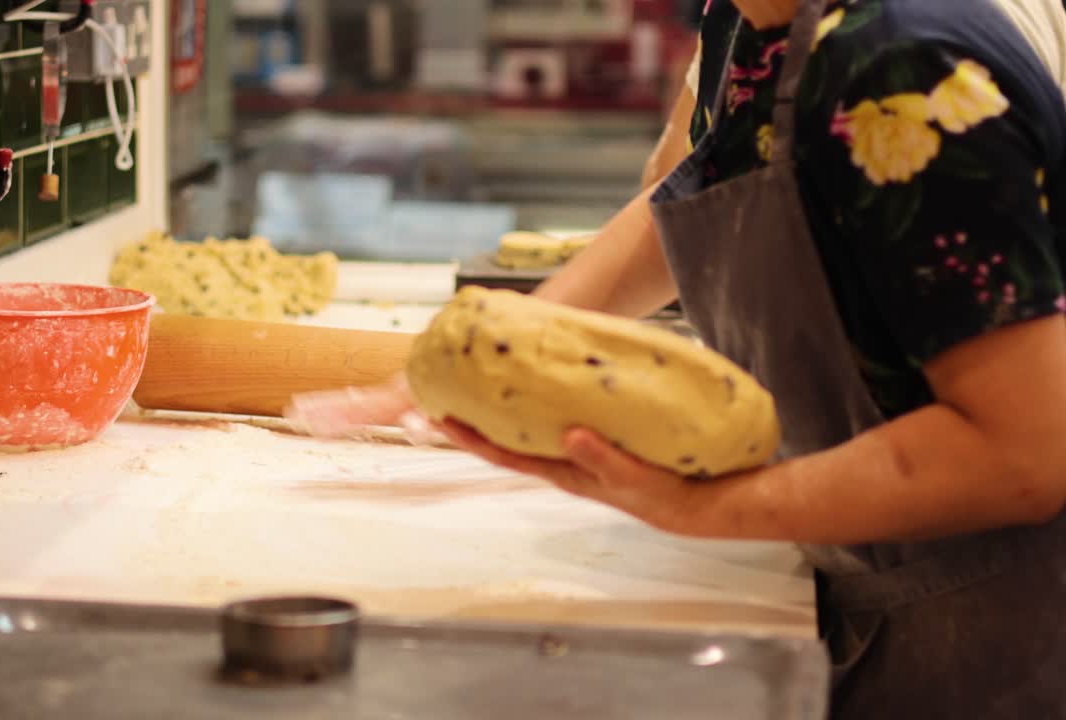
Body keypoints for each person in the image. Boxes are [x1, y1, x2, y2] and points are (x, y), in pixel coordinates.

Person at [287, 0, 1066, 715]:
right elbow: (681, 199)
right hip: (883, 580)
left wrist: (699, 509)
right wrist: (493, 351)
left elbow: (1021, 452)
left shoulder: (900, 67)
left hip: (1001, 625)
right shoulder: (757, 24)